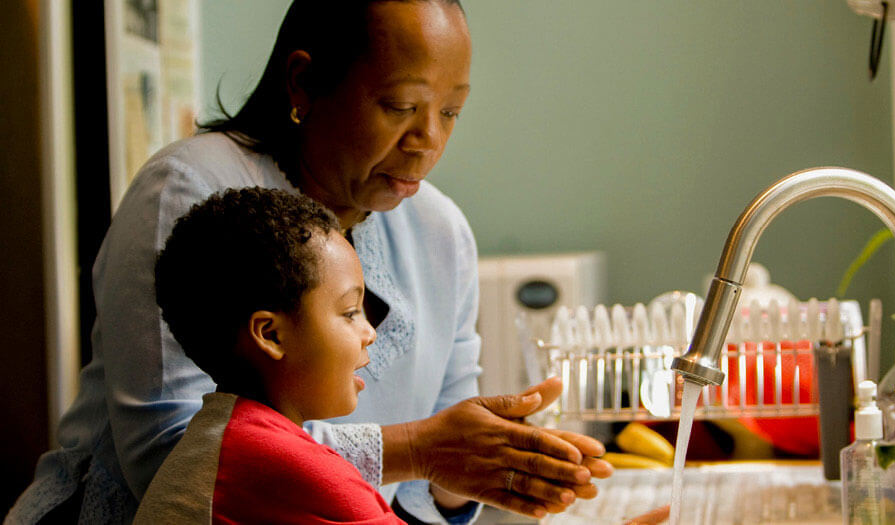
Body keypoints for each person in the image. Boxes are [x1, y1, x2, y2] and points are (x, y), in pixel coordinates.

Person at [7, 1, 610, 523]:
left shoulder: (441, 231)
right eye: (401, 105)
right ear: (303, 82)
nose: (428, 138)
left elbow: (428, 487)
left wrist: (480, 467)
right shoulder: (193, 191)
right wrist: (418, 450)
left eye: (450, 111)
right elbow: (175, 463)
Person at [135, 188, 400, 524]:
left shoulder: (230, 440)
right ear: (271, 335)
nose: (370, 333)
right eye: (350, 312)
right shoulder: (280, 464)